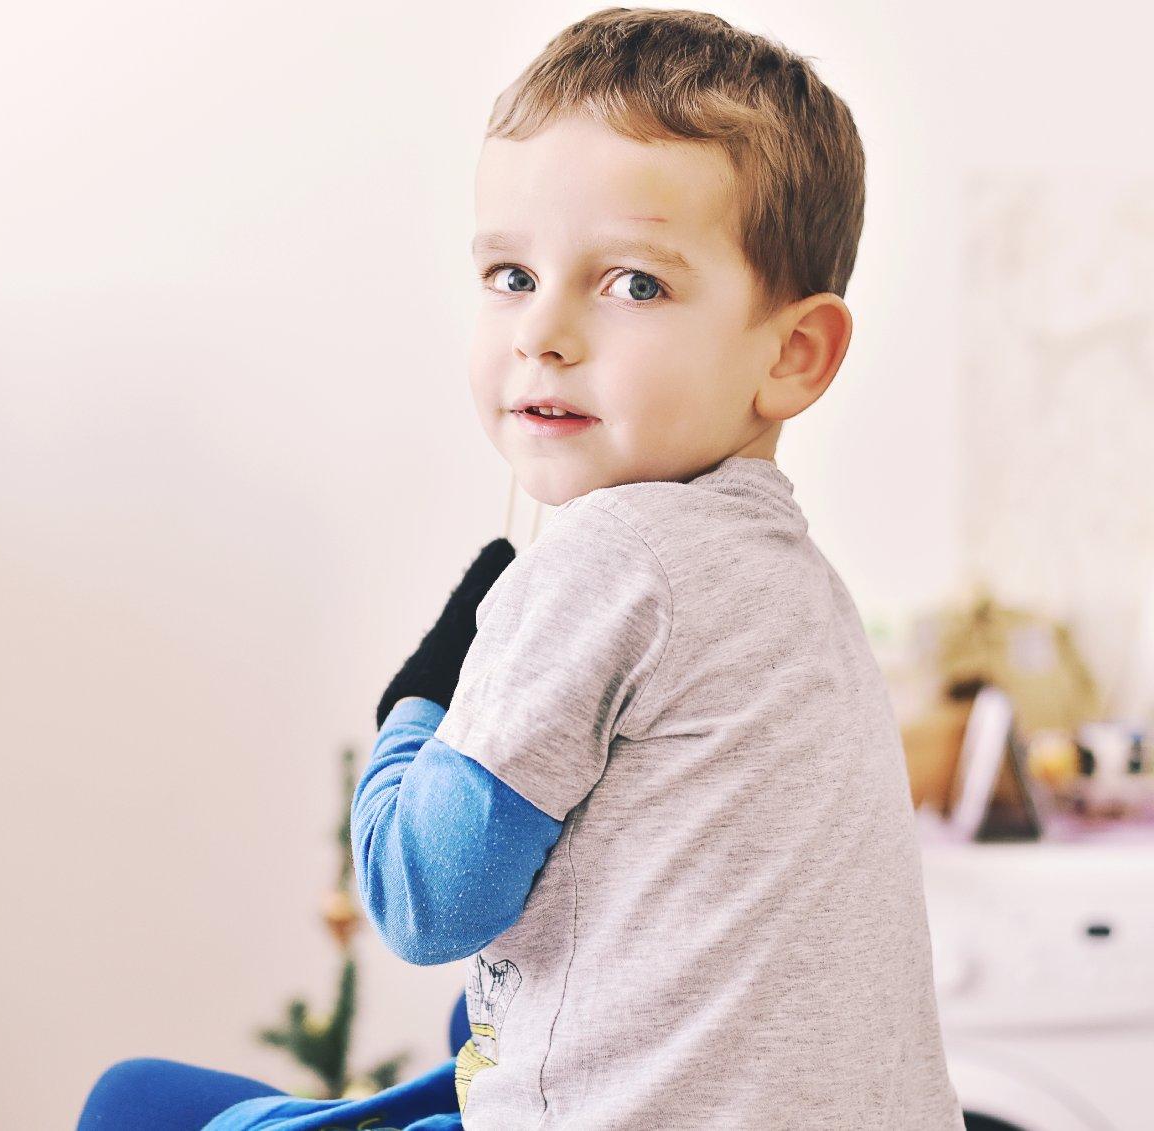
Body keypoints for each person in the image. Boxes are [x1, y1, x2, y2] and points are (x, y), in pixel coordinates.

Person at [79, 6, 966, 1128]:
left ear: (792, 353)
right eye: (509, 274)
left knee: (138, 1103)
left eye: (633, 284)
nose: (541, 332)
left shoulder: (613, 558)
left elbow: (423, 899)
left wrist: (418, 694)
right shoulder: (798, 588)